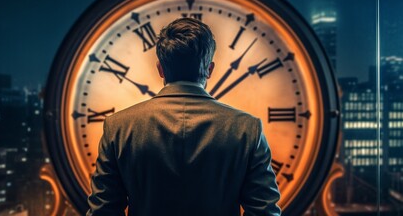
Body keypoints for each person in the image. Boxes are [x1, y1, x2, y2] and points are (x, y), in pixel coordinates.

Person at [86, 18, 281, 216]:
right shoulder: (248, 129)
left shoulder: (118, 127)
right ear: (210, 69)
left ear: (160, 68)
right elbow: (265, 212)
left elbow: (103, 211)